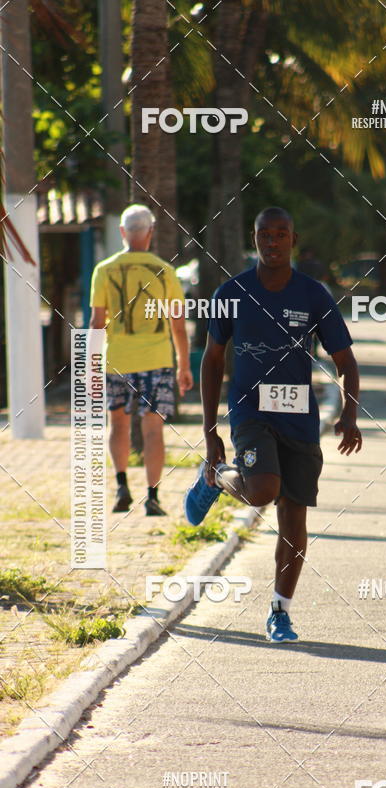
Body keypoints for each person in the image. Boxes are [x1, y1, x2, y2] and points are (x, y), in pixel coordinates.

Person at [184, 207, 362, 643]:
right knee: (262, 489)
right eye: (265, 234)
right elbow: (212, 360)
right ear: (255, 238)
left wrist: (349, 412)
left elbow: (345, 360)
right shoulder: (232, 293)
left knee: (294, 518)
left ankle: (280, 612)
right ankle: (217, 475)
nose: (273, 241)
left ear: (293, 240)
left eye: (281, 234)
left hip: (299, 419)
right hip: (251, 413)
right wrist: (210, 431)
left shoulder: (313, 295)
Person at [90, 204, 193, 516]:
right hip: (156, 361)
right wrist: (184, 365)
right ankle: (152, 497)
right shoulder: (166, 271)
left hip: (117, 360)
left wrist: (92, 367)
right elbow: (178, 325)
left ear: (122, 232)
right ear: (151, 232)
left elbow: (96, 323)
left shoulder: (104, 270)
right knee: (153, 430)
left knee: (117, 424)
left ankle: (122, 486)